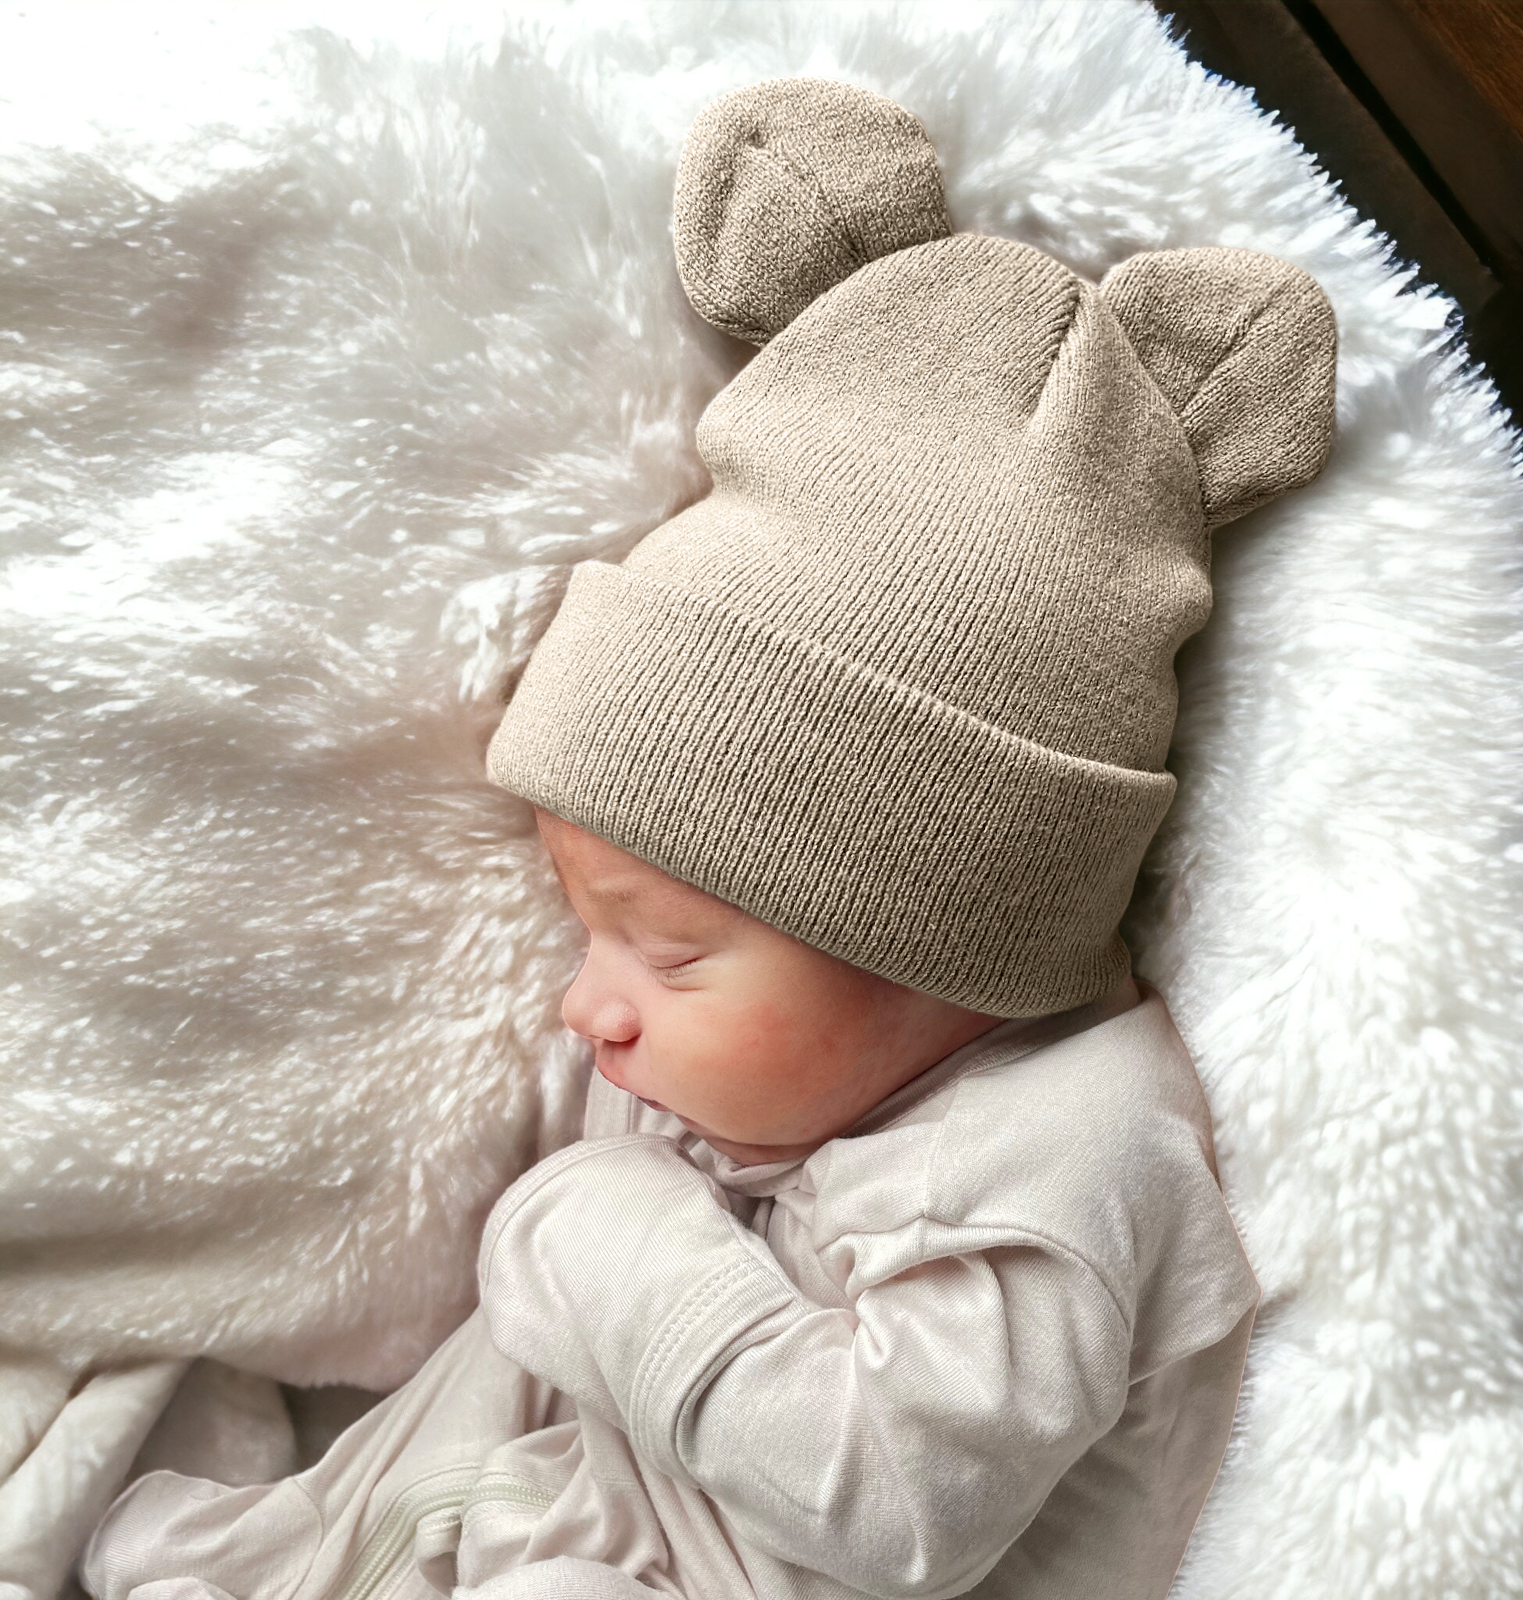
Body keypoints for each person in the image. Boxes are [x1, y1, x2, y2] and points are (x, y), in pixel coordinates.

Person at [81, 73, 1336, 1600]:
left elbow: (900, 1510)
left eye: (668, 950)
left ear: (925, 938)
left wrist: (618, 1250)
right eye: (595, 926)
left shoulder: (1068, 1168)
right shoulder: (804, 1072)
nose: (584, 997)